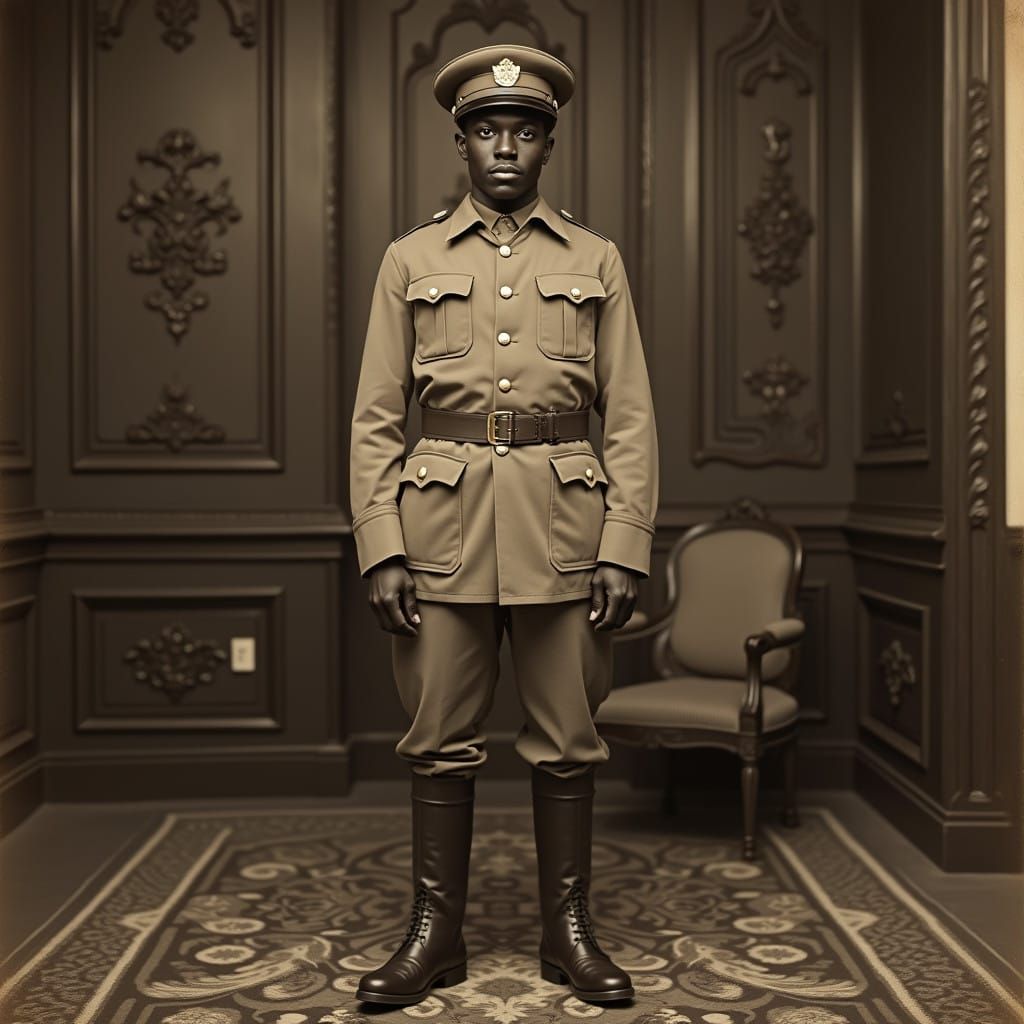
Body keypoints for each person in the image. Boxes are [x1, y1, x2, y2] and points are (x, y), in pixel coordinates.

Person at [348, 43, 659, 1006]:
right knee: (438, 736)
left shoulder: (595, 258)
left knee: (567, 739)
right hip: (437, 529)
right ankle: (434, 935)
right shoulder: (411, 258)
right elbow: (374, 417)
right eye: (488, 131)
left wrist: (624, 545)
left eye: (525, 132)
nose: (507, 148)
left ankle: (568, 934)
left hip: (566, 528)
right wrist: (381, 544)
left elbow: (634, 415)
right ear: (462, 141)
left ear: (549, 144)